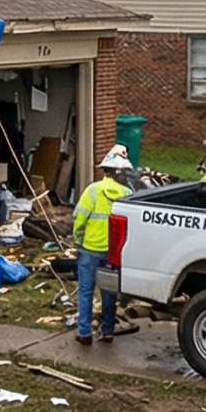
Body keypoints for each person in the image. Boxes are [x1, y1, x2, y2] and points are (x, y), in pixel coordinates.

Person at [72, 146, 136, 343]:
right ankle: (108, 331)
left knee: (85, 291)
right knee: (109, 293)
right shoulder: (127, 193)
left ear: (104, 170)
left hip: (90, 250)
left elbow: (78, 218)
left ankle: (84, 333)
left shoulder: (92, 191)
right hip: (113, 254)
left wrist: (78, 240)